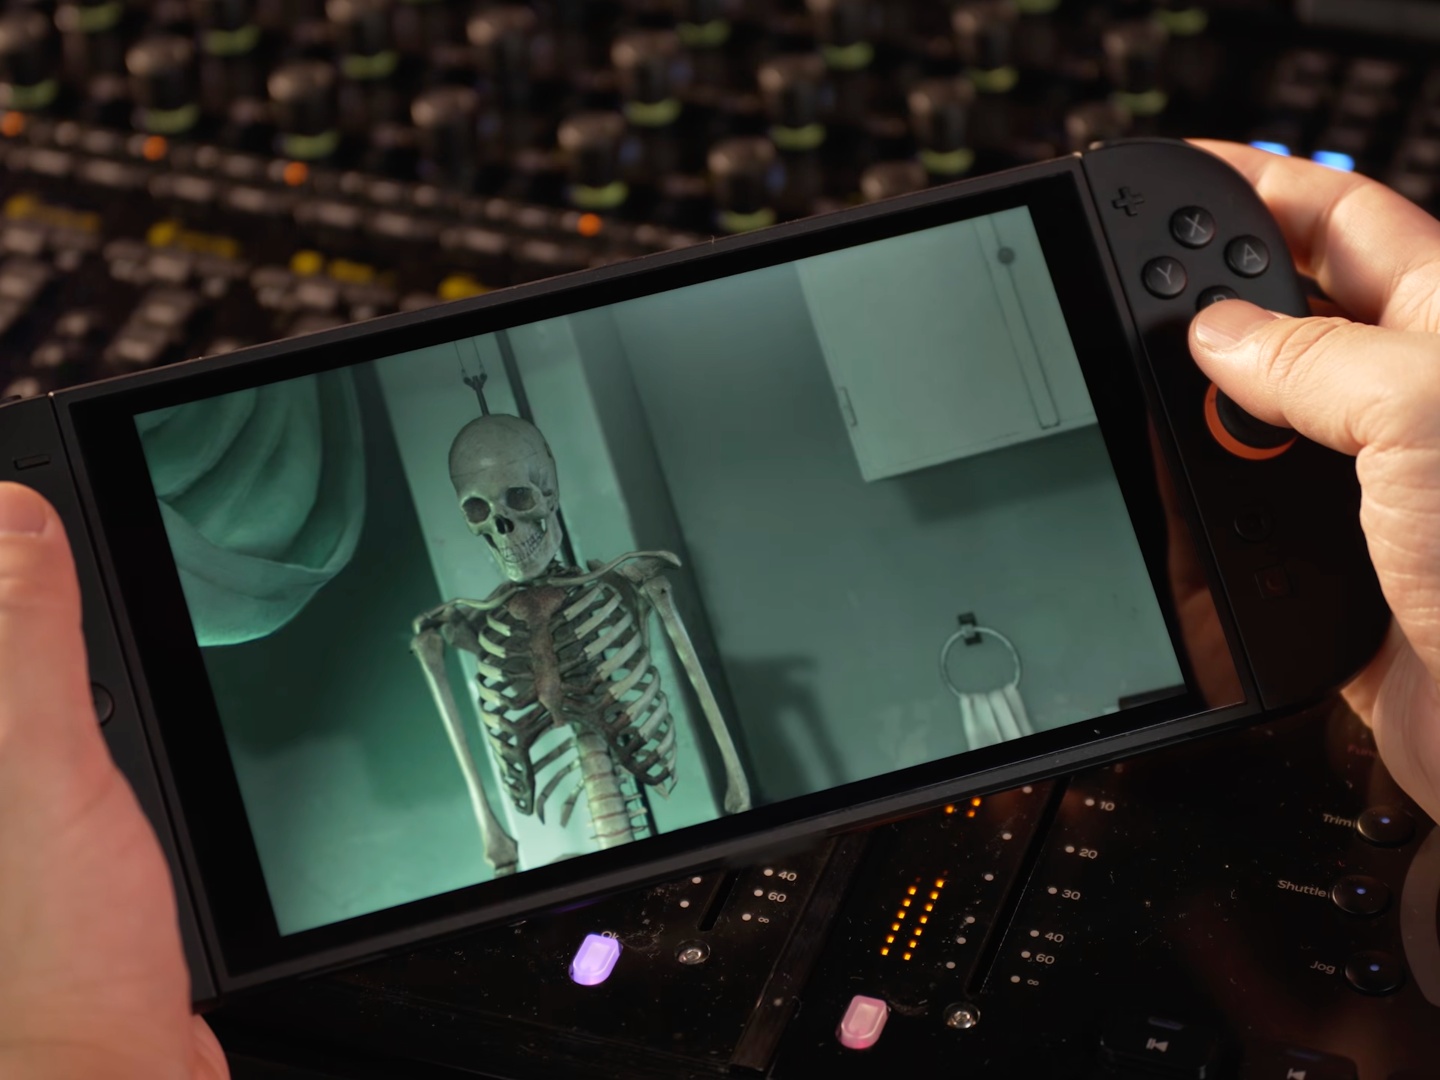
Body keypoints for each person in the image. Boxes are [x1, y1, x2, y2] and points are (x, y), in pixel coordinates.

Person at [0, 139, 1437, 1077]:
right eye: (491, 516)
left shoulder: (631, 582)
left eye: (523, 502)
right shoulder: (469, 630)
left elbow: (674, 680)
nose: (514, 526)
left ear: (548, 498)